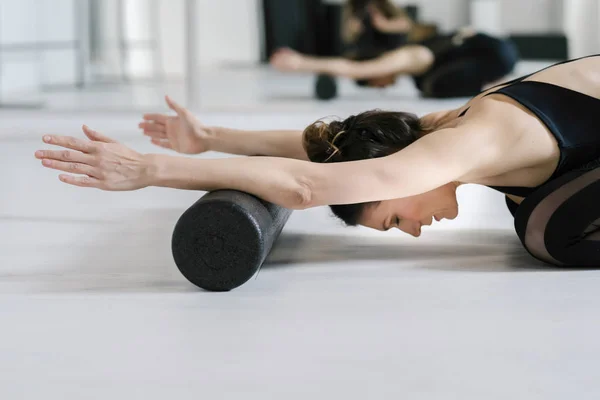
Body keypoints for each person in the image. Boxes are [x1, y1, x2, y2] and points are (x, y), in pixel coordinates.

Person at [36, 55, 600, 267]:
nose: (413, 231)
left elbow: (308, 184)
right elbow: (326, 146)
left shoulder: (466, 143)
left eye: (393, 219)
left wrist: (150, 171)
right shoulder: (448, 126)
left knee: (543, 232)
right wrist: (210, 137)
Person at [271, 27, 519, 97]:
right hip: (494, 57)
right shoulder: (417, 73)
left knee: (430, 86)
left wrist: (301, 62)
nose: (381, 87)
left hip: (497, 53)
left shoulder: (407, 57)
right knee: (428, 87)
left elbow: (354, 67)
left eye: (372, 84)